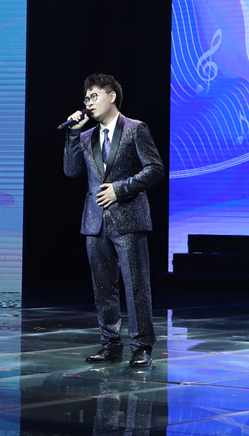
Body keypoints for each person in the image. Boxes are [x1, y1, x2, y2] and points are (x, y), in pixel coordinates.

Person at [64, 73, 164, 367]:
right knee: (103, 287)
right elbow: (71, 171)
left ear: (112, 96)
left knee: (136, 285)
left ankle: (142, 345)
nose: (89, 102)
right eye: (86, 98)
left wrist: (120, 189)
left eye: (94, 96)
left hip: (129, 218)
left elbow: (155, 168)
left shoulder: (135, 129)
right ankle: (110, 344)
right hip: (95, 221)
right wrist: (72, 134)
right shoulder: (86, 137)